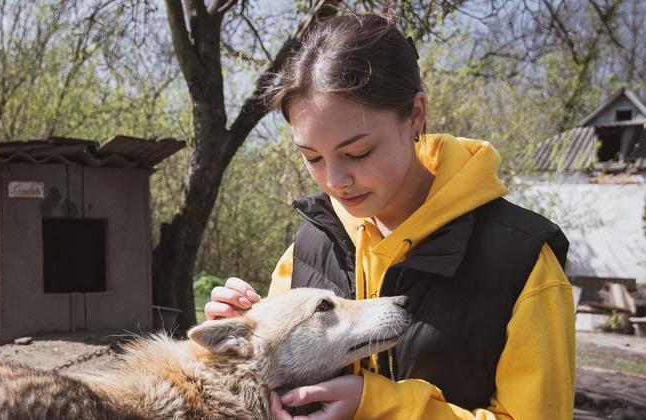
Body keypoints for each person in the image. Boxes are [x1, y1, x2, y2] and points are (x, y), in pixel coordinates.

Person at [204, 9, 575, 420]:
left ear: (415, 114)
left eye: (357, 152)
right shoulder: (306, 249)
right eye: (312, 157)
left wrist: (376, 407)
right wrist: (243, 343)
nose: (335, 181)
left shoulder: (522, 262)